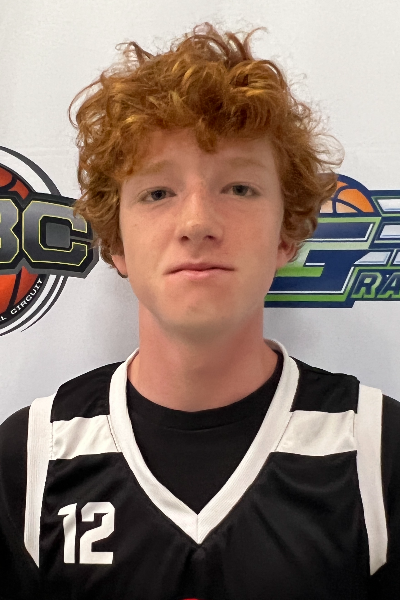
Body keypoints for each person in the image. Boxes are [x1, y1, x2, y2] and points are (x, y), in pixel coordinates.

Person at [0, 22, 399, 600]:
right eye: (157, 193)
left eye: (239, 188)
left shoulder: (377, 452)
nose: (196, 223)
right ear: (116, 243)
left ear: (287, 234)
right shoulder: (31, 458)